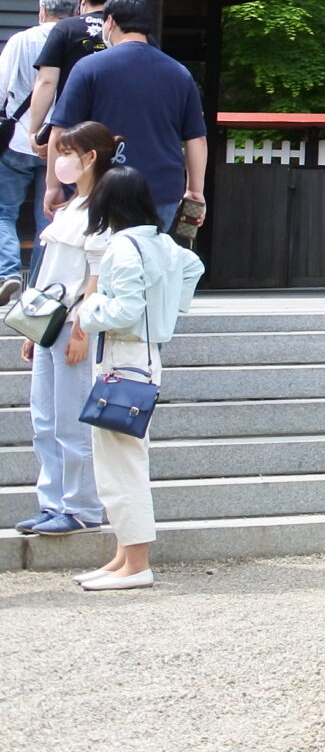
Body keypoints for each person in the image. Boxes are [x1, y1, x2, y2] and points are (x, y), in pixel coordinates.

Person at [71, 164, 193, 589]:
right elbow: (193, 266)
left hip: (123, 356)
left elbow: (124, 310)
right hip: (142, 355)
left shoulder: (123, 246)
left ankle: (136, 564)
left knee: (121, 464)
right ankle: (125, 557)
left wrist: (87, 311)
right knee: (121, 459)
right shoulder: (162, 242)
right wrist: (169, 310)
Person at [12, 121, 114, 538]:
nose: (60, 161)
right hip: (49, 319)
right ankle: (52, 501)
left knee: (72, 419)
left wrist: (82, 330)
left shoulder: (103, 208)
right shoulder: (70, 207)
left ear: (89, 157)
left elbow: (96, 275)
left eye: (68, 153)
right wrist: (31, 327)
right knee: (45, 417)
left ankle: (81, 506)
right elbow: (47, 271)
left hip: (73, 321)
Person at [51, 0, 207, 231]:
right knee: (148, 253)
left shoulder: (89, 68)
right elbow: (196, 138)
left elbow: (61, 129)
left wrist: (53, 185)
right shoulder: (180, 73)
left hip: (99, 186)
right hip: (162, 191)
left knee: (99, 253)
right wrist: (195, 191)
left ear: (110, 22)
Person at [0, 0, 75, 287]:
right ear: (75, 11)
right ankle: (41, 284)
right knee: (51, 215)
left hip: (18, 141)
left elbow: (2, 86)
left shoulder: (20, 40)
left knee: (3, 211)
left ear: (42, 10)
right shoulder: (78, 40)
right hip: (61, 143)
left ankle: (7, 273)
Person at [25, 0, 127, 179]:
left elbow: (46, 81)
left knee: (72, 189)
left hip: (73, 130)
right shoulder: (134, 35)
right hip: (119, 133)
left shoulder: (66, 29)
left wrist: (35, 132)